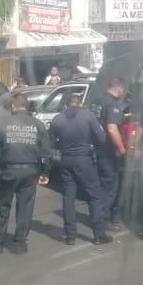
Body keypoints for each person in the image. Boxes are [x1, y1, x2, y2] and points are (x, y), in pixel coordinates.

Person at [0, 93, 51, 255]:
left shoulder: (3, 123)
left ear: (13, 106)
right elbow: (47, 152)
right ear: (26, 106)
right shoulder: (38, 125)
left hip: (8, 169)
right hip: (30, 171)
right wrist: (45, 172)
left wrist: (1, 164)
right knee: (25, 207)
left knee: (2, 205)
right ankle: (20, 244)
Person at [50, 94, 112, 246]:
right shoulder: (88, 116)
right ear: (80, 103)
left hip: (65, 160)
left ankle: (70, 236)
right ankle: (99, 234)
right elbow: (101, 138)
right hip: (84, 159)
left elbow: (52, 141)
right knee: (94, 196)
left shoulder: (57, 119)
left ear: (66, 104)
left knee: (68, 197)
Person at [94, 77, 128, 226]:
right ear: (120, 88)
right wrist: (121, 148)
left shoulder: (96, 101)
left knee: (101, 185)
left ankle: (99, 215)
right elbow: (112, 129)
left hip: (95, 148)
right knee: (110, 186)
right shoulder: (113, 104)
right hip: (108, 150)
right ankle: (102, 220)